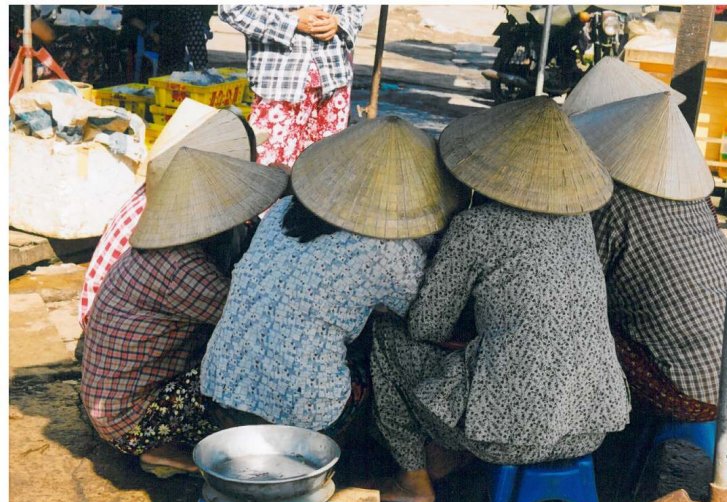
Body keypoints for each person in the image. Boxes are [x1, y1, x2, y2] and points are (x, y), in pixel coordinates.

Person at [366, 97, 631, 502]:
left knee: (387, 336)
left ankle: (412, 477)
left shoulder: (476, 226)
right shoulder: (579, 220)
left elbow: (427, 326)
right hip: (589, 426)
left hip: (511, 437)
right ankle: (444, 454)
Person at [200, 116, 466, 442]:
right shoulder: (388, 251)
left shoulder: (284, 211)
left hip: (223, 390)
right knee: (383, 343)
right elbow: (426, 321)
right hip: (306, 418)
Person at [80, 147, 288, 477]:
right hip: (128, 421)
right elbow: (252, 320)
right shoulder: (180, 269)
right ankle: (161, 449)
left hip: (115, 399)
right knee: (246, 366)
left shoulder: (165, 249)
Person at [570, 90, 727, 422]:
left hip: (692, 390)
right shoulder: (695, 194)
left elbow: (581, 289)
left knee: (584, 329)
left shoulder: (610, 202)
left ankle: (613, 450)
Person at [78, 99, 257, 330]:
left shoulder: (163, 190)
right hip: (106, 323)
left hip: (108, 315)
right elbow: (244, 315)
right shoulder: (176, 248)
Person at [218, 5, 366, 168]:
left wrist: (338, 22)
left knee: (325, 173)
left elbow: (356, 7)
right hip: (280, 86)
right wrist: (290, 22)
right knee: (271, 174)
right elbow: (231, 9)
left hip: (334, 81)